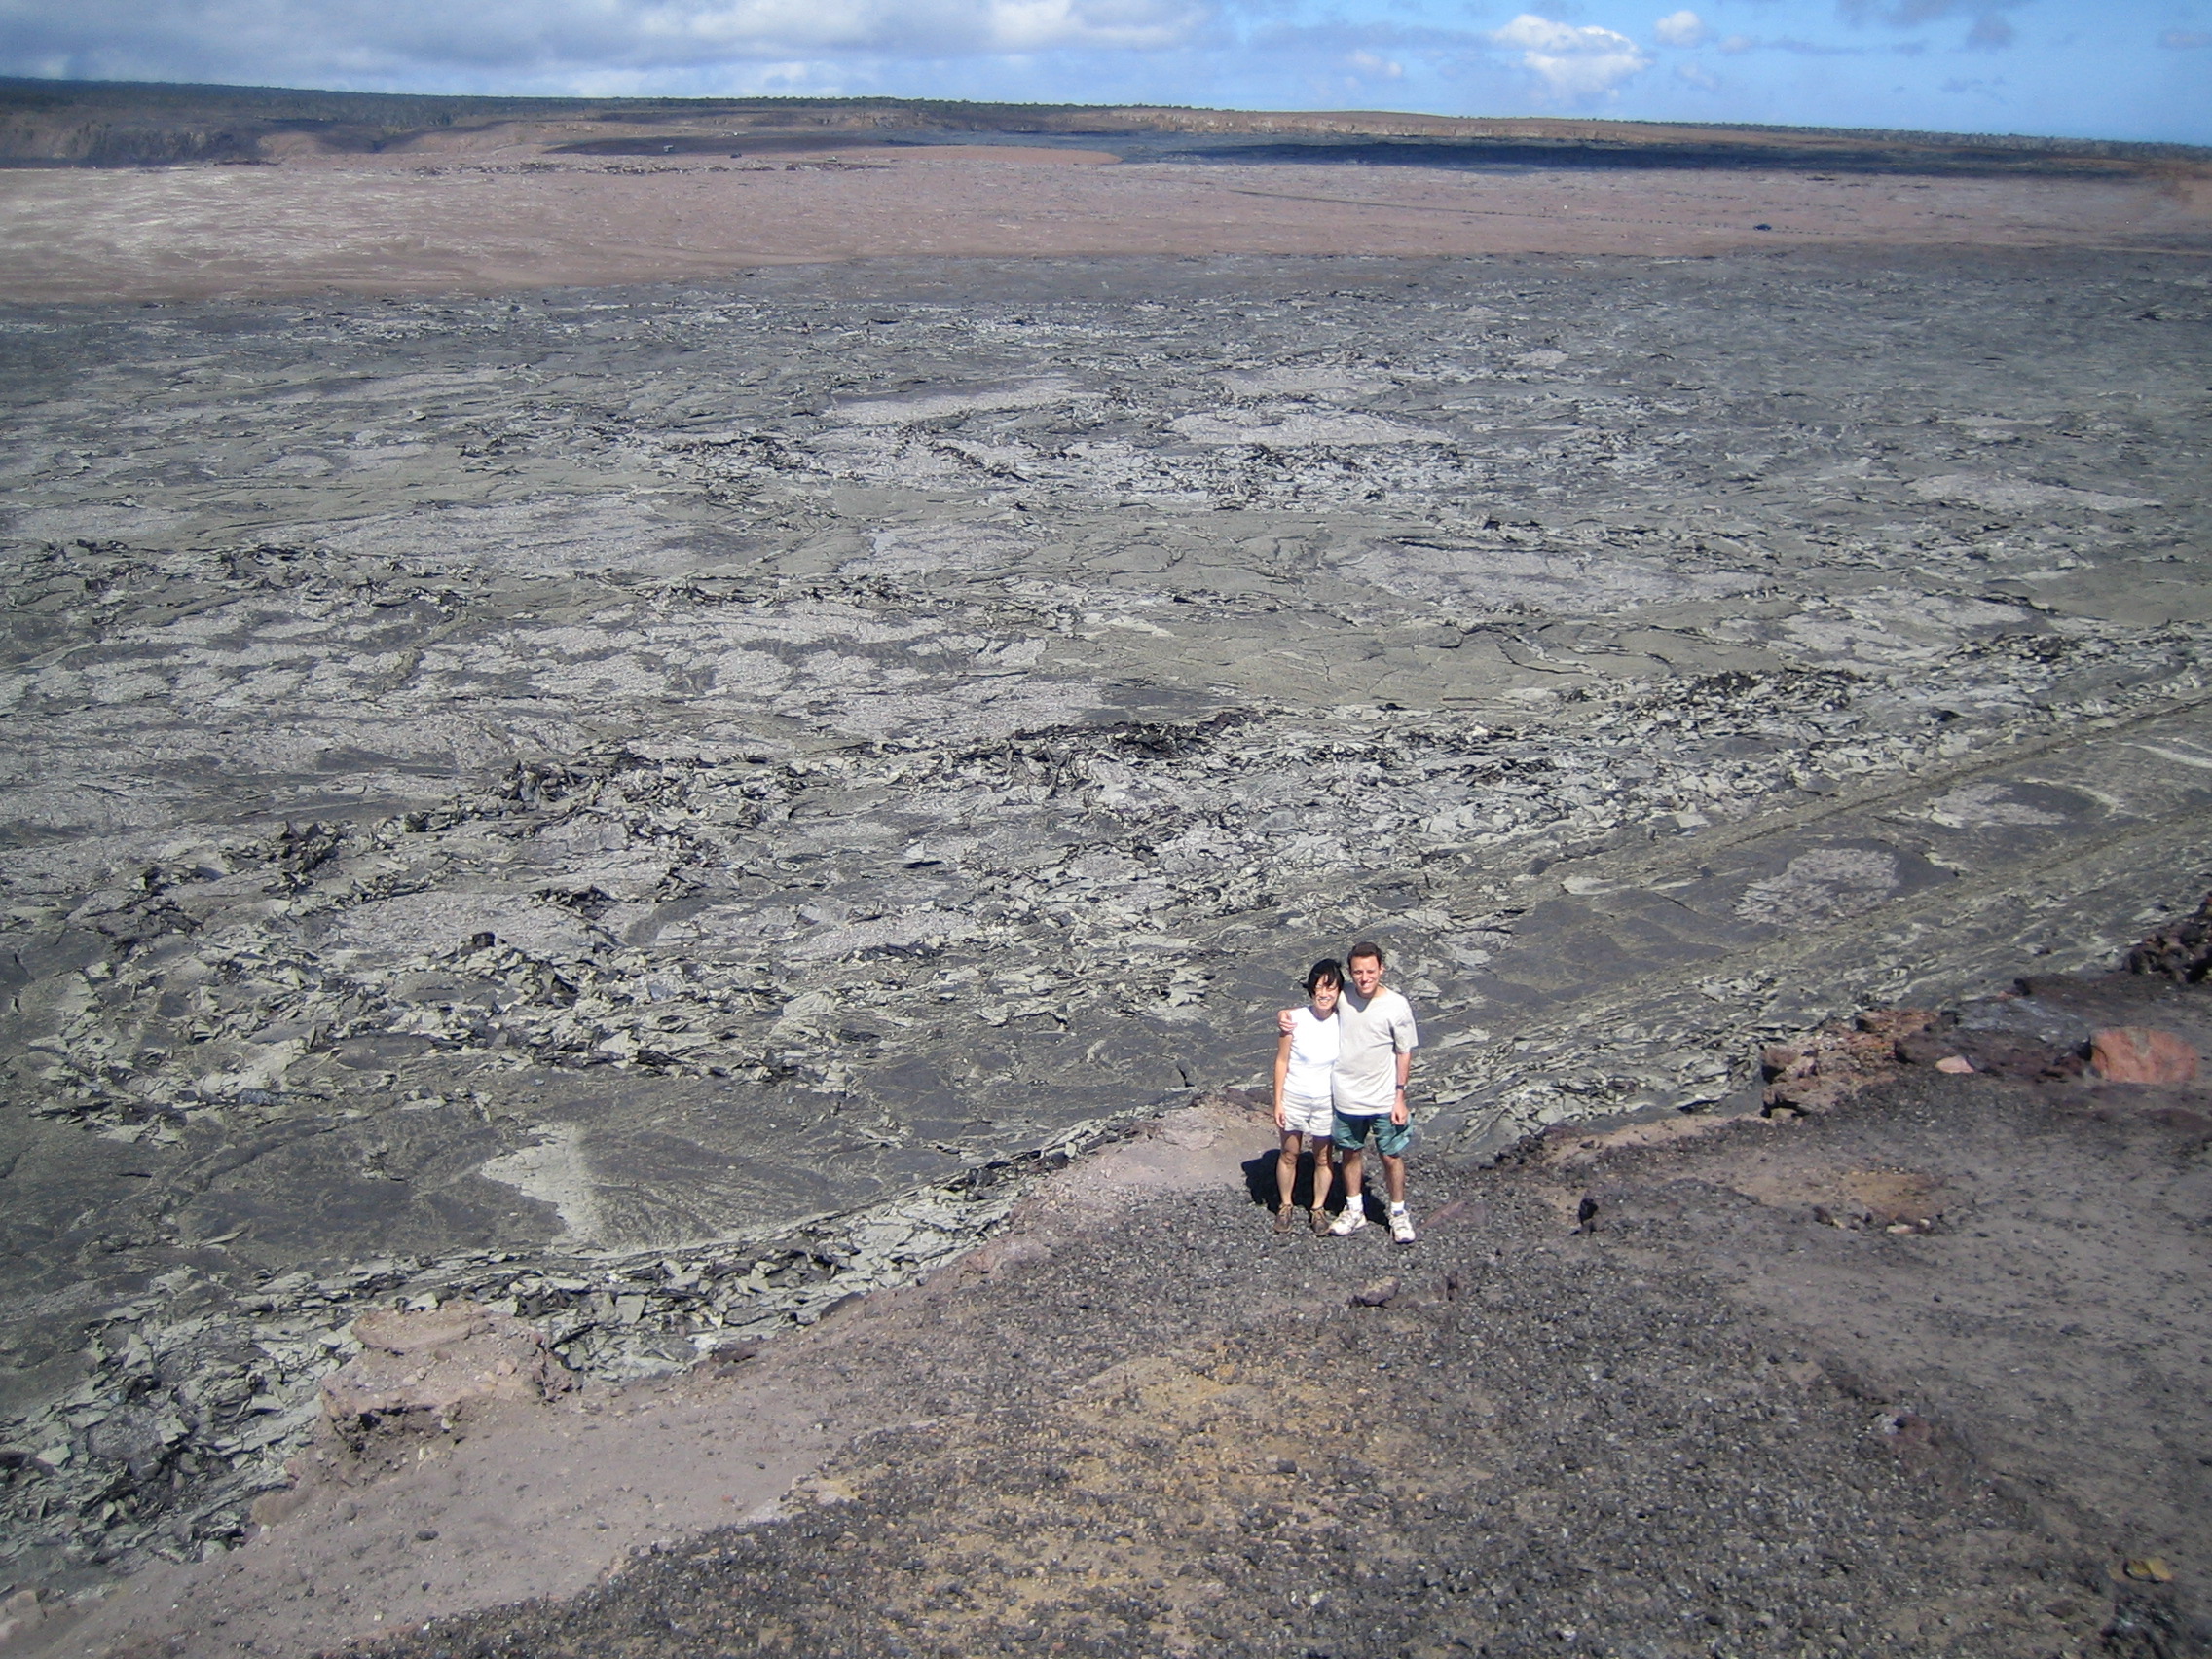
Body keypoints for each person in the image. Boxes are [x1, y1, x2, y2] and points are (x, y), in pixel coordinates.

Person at [1280, 941, 1419, 1243]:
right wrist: (1284, 1016)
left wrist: (1400, 1096)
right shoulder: (1343, 998)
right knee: (1350, 1153)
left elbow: (1404, 1052)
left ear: (1382, 969)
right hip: (1345, 1097)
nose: (1365, 978)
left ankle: (1398, 1213)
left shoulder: (1397, 1005)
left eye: (1370, 971)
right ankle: (1354, 1208)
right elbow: (1318, 1000)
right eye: (1358, 972)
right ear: (1351, 974)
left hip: (1383, 1097)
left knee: (1391, 1155)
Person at [1272, 959, 1343, 1235]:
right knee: (1290, 1152)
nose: (1323, 994)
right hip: (1295, 1095)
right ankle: (1286, 1205)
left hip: (1327, 1100)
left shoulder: (1343, 1022)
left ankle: (1318, 1208)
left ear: (1338, 991)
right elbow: (1282, 1061)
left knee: (1323, 1157)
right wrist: (1278, 1100)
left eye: (1330, 988)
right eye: (1319, 987)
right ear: (1311, 989)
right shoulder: (1294, 1020)